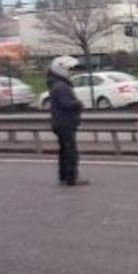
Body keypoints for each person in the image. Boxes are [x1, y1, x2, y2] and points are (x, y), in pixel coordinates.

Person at [47, 56, 88, 186]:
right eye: (70, 69)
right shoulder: (62, 86)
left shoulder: (56, 84)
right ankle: (71, 177)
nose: (72, 72)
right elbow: (66, 103)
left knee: (64, 151)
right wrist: (78, 104)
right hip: (65, 123)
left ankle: (64, 175)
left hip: (60, 122)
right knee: (71, 152)